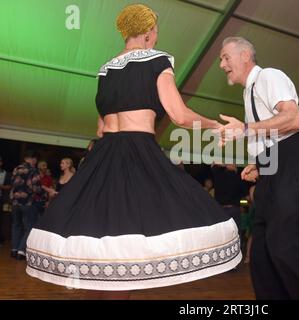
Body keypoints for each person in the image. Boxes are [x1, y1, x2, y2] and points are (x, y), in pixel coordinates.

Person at [26, 4, 241, 293]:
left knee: (104, 240)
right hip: (137, 150)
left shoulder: (105, 69)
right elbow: (179, 115)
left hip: (103, 155)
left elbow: (100, 129)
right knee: (140, 236)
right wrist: (214, 125)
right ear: (150, 31)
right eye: (156, 30)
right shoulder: (158, 60)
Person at [217, 36, 299, 299]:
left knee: (290, 245)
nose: (221, 64)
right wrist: (257, 163)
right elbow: (268, 132)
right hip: (271, 167)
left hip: (291, 161)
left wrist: (244, 129)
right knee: (263, 254)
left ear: (245, 55)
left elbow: (293, 118)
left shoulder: (268, 77)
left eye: (225, 57)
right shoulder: (248, 91)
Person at [10, 151, 43, 260]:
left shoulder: (16, 169)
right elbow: (36, 188)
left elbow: (12, 184)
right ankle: (21, 250)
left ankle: (14, 249)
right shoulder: (34, 170)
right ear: (32, 159)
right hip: (28, 202)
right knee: (30, 226)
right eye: (35, 159)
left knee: (16, 225)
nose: (35, 161)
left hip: (15, 202)